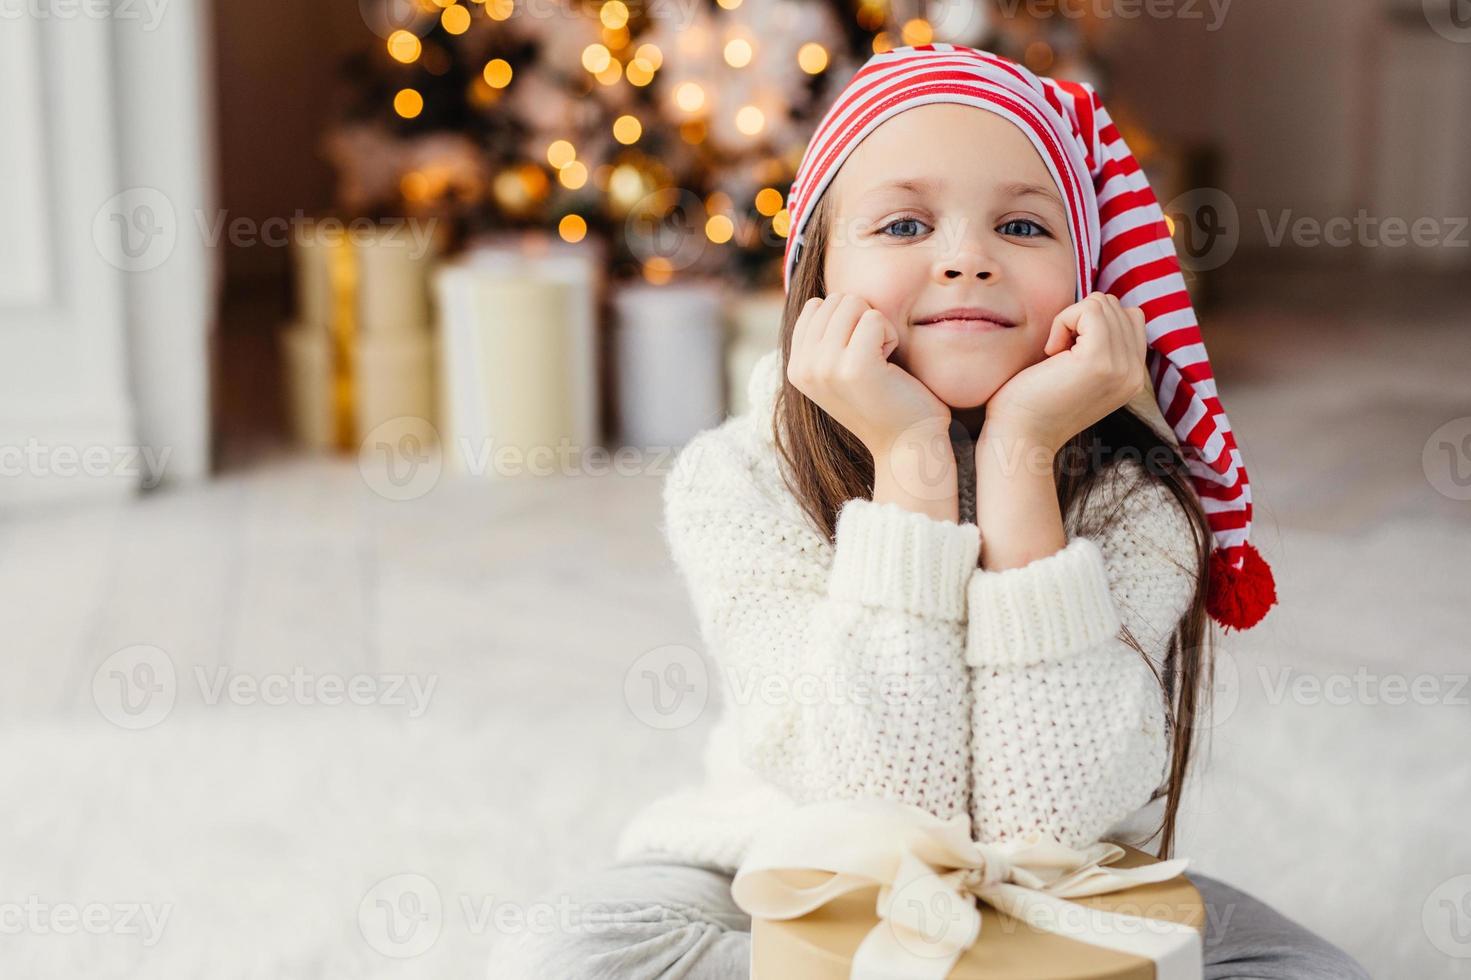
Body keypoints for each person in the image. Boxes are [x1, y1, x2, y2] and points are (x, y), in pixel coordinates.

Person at [489, 43, 1370, 979]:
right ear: (816, 277)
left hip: (1062, 885)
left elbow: (1048, 822)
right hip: (785, 857)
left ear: (1088, 284)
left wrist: (1023, 459)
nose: (965, 261)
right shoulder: (739, 477)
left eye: (1023, 230)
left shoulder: (1132, 497)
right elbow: (872, 808)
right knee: (564, 955)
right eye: (905, 225)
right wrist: (909, 465)